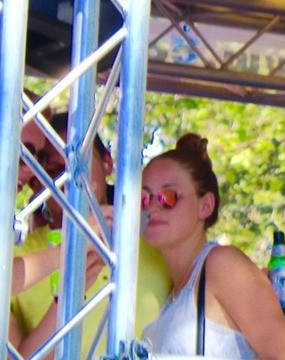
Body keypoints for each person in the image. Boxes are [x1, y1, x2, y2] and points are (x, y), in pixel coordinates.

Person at [10, 113, 172, 358]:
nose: (70, 176)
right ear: (36, 179)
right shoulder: (17, 257)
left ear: (107, 162)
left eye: (79, 160)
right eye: (52, 168)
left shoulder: (162, 244)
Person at [141, 134, 285, 360]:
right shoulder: (173, 293)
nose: (152, 207)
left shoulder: (222, 264)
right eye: (144, 197)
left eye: (168, 197)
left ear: (205, 206)